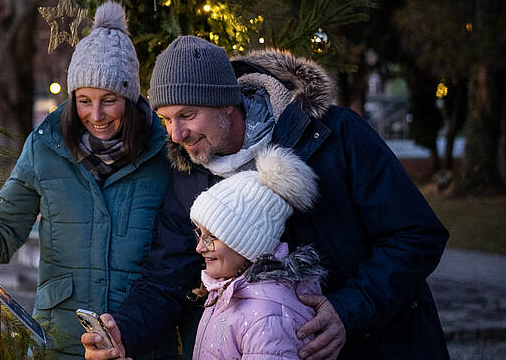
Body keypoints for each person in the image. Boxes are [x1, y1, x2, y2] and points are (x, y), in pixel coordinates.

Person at [81, 36, 449, 360]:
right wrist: (123, 332)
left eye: (187, 115)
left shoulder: (333, 136)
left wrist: (348, 309)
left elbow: (416, 235)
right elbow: (167, 280)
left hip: (380, 345)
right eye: (164, 120)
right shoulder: (192, 176)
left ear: (227, 104)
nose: (176, 135)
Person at [0, 1, 181, 358]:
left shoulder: (165, 153)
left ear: (130, 96)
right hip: (61, 343)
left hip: (139, 342)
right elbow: (0, 237)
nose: (97, 115)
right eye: (84, 101)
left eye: (109, 100)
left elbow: (180, 258)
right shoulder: (46, 148)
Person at [188, 143, 327, 359]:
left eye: (212, 237)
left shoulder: (268, 316)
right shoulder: (227, 291)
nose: (199, 247)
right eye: (199, 232)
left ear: (249, 244)